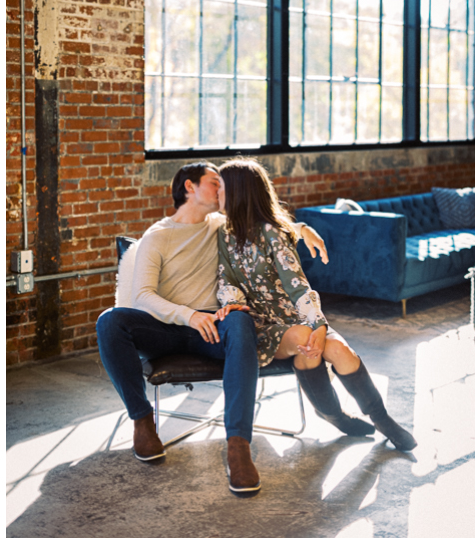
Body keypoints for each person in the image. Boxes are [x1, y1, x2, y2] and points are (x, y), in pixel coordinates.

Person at [96, 162, 328, 495]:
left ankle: (238, 447)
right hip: (167, 328)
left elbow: (266, 223)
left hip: (213, 329)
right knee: (110, 321)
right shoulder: (157, 236)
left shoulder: (220, 224)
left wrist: (303, 228)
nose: (222, 191)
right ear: (189, 187)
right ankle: (143, 421)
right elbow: (142, 296)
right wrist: (189, 316)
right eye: (214, 183)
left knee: (240, 319)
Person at [216, 158, 416, 451]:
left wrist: (318, 324)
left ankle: (381, 418)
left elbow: (297, 285)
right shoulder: (224, 233)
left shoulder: (273, 232)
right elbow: (226, 278)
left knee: (339, 349)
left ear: (238, 192)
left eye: (220, 188)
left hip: (297, 315)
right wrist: (231, 304)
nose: (216, 195)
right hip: (259, 324)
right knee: (304, 339)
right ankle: (332, 413)